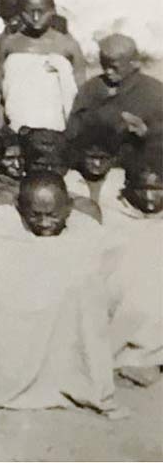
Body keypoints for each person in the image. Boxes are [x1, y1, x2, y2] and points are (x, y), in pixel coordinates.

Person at [0, 172, 119, 415]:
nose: (44, 222)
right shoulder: (1, 225)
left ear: (69, 207)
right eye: (34, 215)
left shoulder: (86, 230)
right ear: (19, 208)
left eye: (53, 215)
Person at [99, 152, 163, 387]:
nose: (149, 197)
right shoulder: (112, 217)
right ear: (127, 187)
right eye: (141, 189)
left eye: (158, 189)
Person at [0, 0, 85, 132]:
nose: (36, 18)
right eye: (29, 12)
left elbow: (81, 97)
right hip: (17, 128)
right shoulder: (9, 44)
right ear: (20, 12)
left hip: (55, 130)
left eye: (41, 12)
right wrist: (0, 131)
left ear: (52, 10)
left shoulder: (68, 46)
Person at [66, 33, 163, 154]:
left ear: (133, 63)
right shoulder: (91, 88)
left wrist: (146, 132)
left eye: (114, 67)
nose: (108, 71)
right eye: (104, 65)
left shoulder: (154, 91)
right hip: (94, 158)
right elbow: (73, 129)